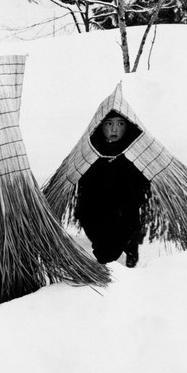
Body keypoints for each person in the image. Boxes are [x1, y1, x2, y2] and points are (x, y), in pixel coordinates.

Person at [74, 111, 151, 268]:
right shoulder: (90, 150)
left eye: (120, 124)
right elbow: (83, 189)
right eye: (109, 123)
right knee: (104, 246)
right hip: (97, 208)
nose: (114, 130)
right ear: (100, 125)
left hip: (126, 211)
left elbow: (140, 189)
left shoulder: (136, 151)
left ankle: (129, 247)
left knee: (122, 235)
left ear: (127, 126)